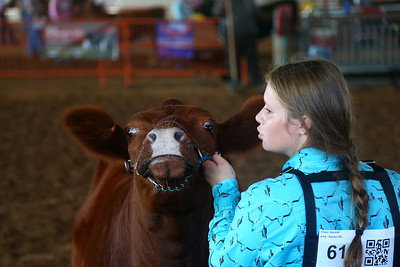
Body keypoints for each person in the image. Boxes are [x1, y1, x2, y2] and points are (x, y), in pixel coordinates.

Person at [203, 58, 400, 266]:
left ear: (302, 124)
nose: (258, 117)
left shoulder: (265, 203)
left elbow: (222, 263)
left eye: (268, 110)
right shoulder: (393, 187)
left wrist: (224, 192)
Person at [212, 0, 264, 90]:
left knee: (252, 58)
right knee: (233, 58)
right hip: (233, 33)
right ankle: (234, 80)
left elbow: (257, 12)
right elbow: (216, 12)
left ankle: (257, 82)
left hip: (249, 32)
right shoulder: (225, 1)